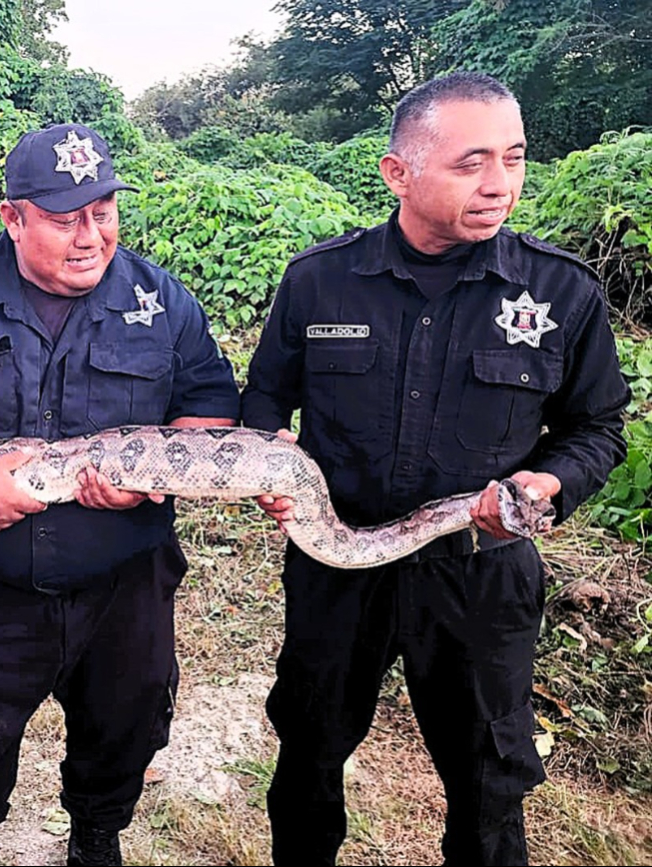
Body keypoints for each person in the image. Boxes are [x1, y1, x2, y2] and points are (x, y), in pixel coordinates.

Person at [241, 71, 631, 866]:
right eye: (471, 162)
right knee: (309, 752)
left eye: (515, 159)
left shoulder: (560, 292)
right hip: (337, 561)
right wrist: (269, 466)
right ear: (398, 173)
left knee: (490, 780)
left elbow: (598, 429)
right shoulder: (320, 278)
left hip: (479, 574)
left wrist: (542, 485)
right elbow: (262, 407)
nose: (500, 185)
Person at [0, 122, 241, 867]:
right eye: (66, 219)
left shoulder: (163, 301)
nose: (90, 236)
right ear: (14, 216)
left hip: (123, 579)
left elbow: (210, 409)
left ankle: (96, 840)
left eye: (103, 212)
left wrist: (149, 480)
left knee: (124, 726)